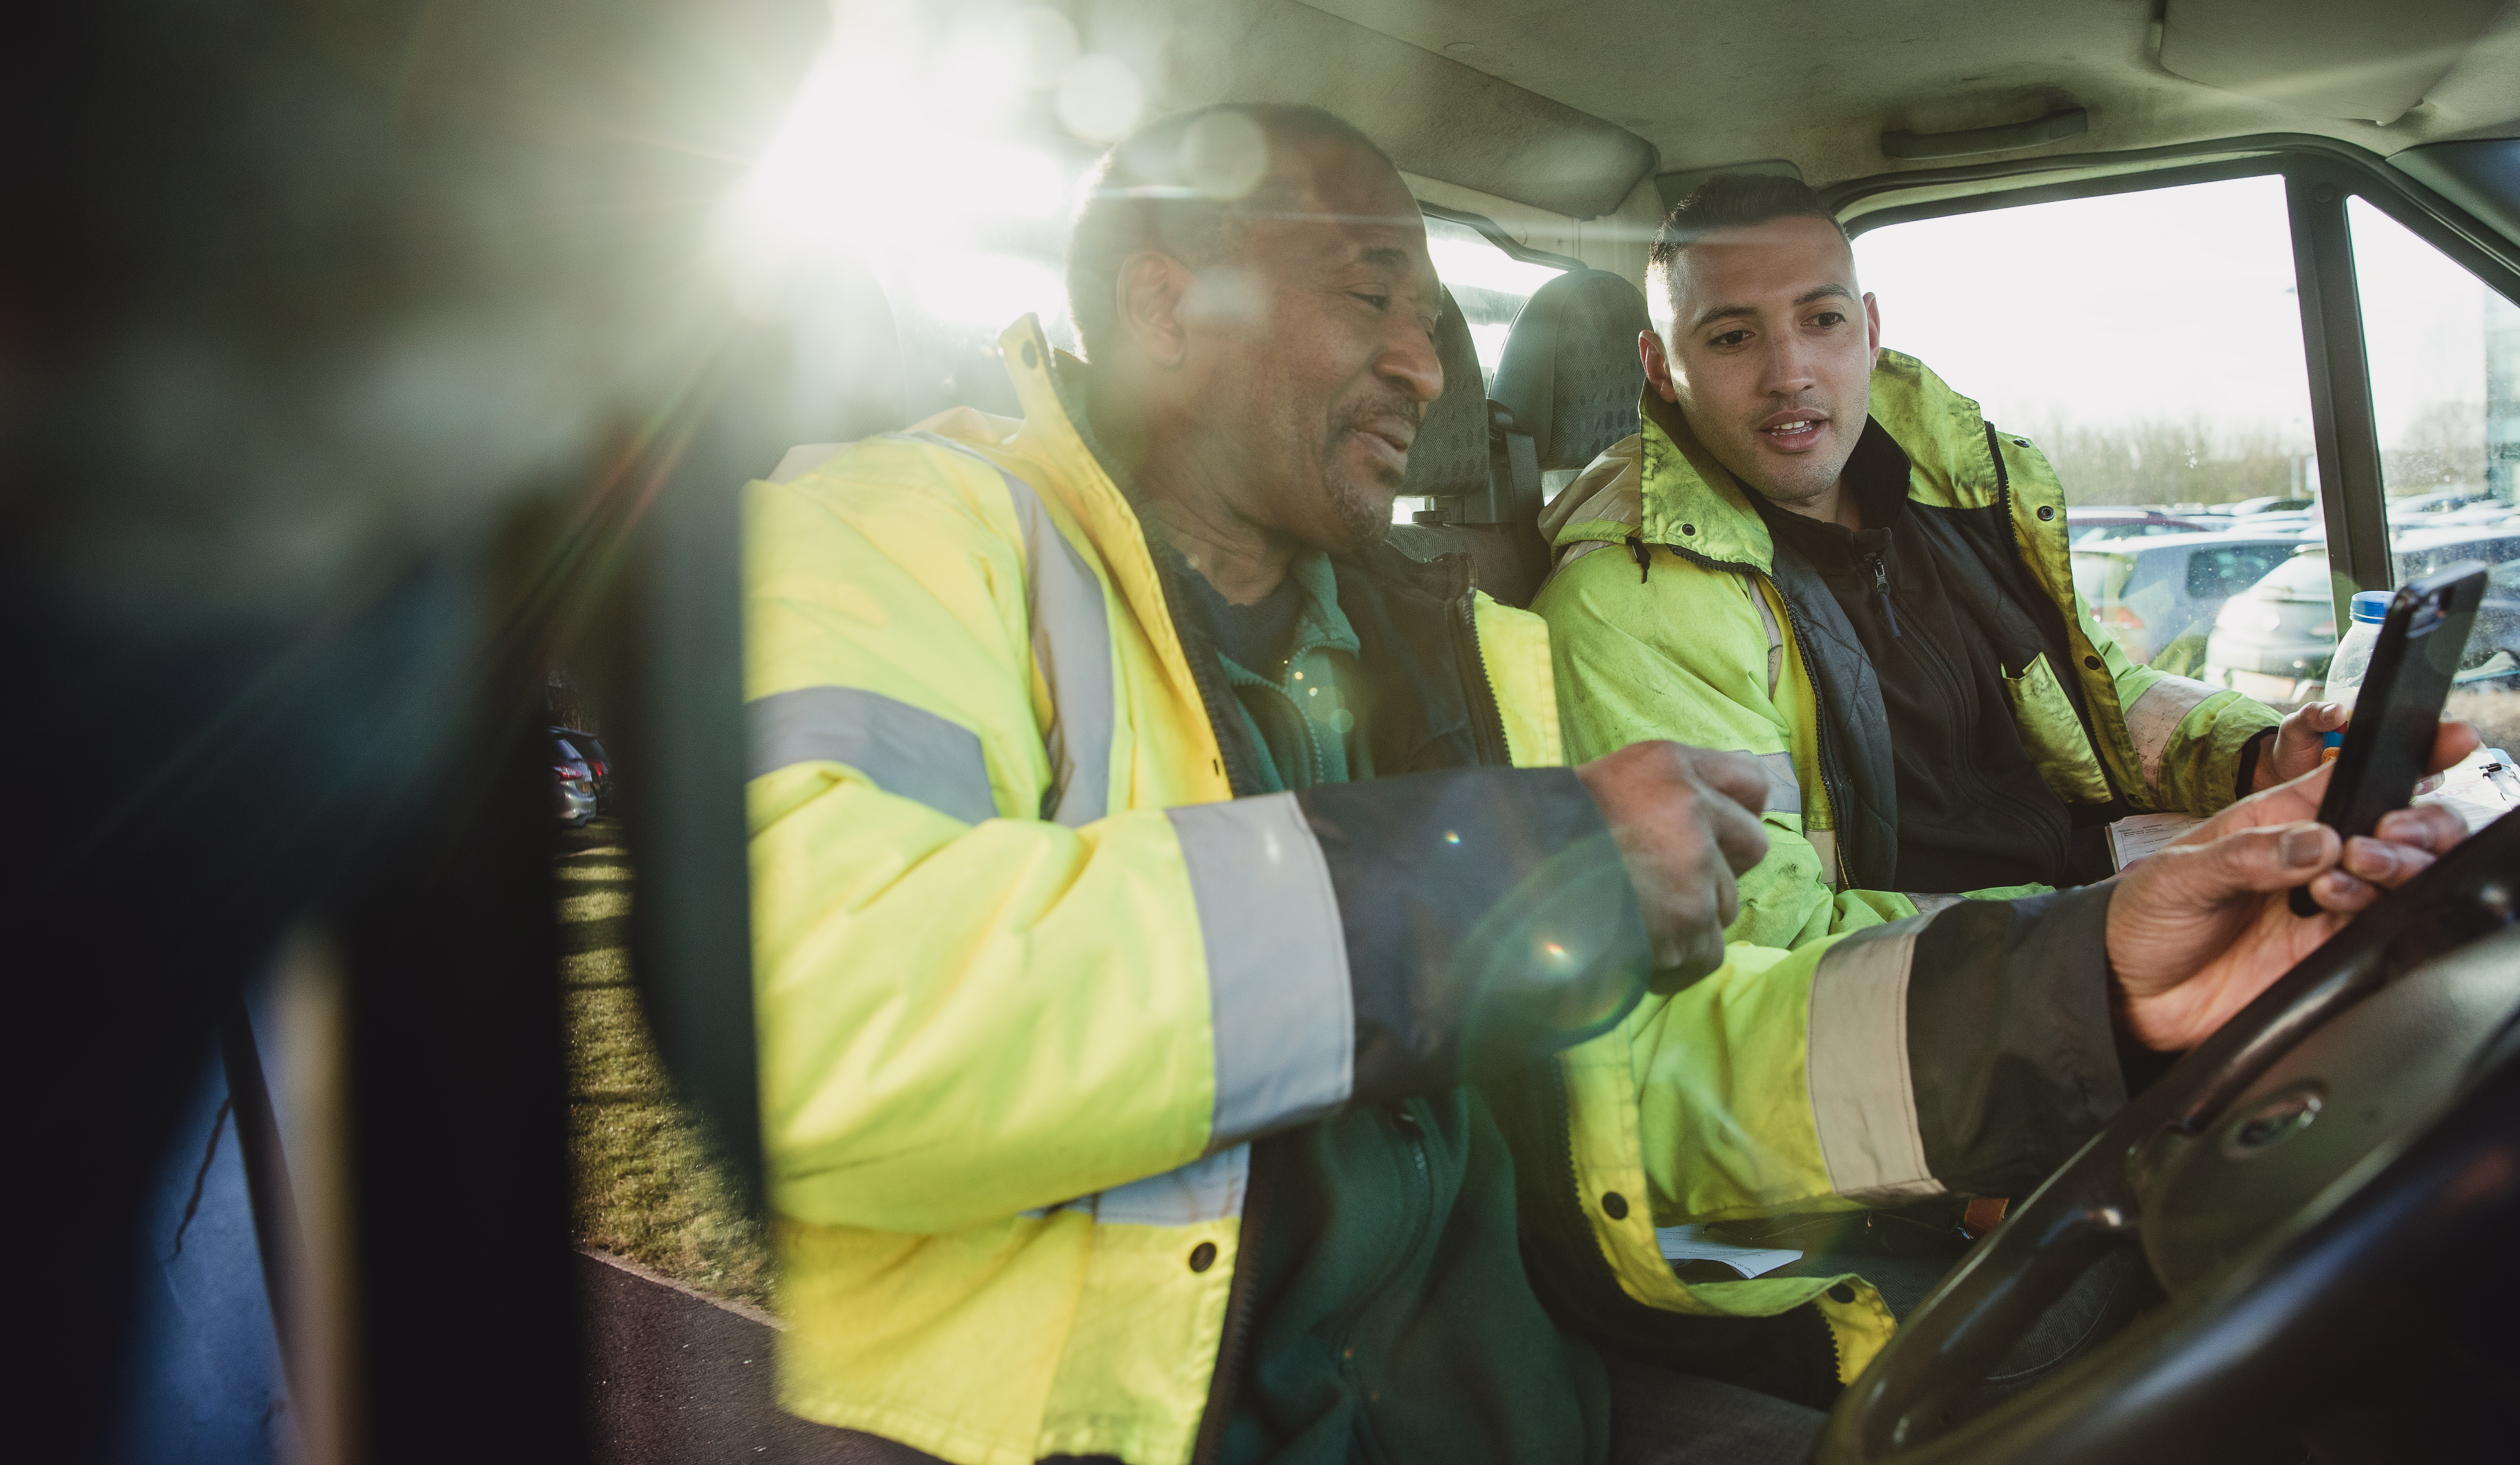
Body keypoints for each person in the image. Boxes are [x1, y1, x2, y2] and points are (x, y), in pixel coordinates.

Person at [744, 105, 2468, 1465]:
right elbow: (814, 1015)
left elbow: (1650, 1078)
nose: (1430, 365)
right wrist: (1497, 871)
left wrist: (2082, 981)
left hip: (1532, 1412)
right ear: (1161, 300)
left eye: (1431, 313)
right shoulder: (906, 534)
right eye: (1372, 296)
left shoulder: (1455, 657)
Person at [1535, 172, 2345, 953]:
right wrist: (2108, 920)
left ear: (1872, 327)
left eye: (1822, 320)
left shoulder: (1957, 491)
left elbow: (2099, 693)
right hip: (1954, 1001)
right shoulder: (1626, 599)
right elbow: (1774, 941)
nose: (1790, 374)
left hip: (2084, 902)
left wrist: (2259, 760)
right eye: (1733, 337)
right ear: (1658, 369)